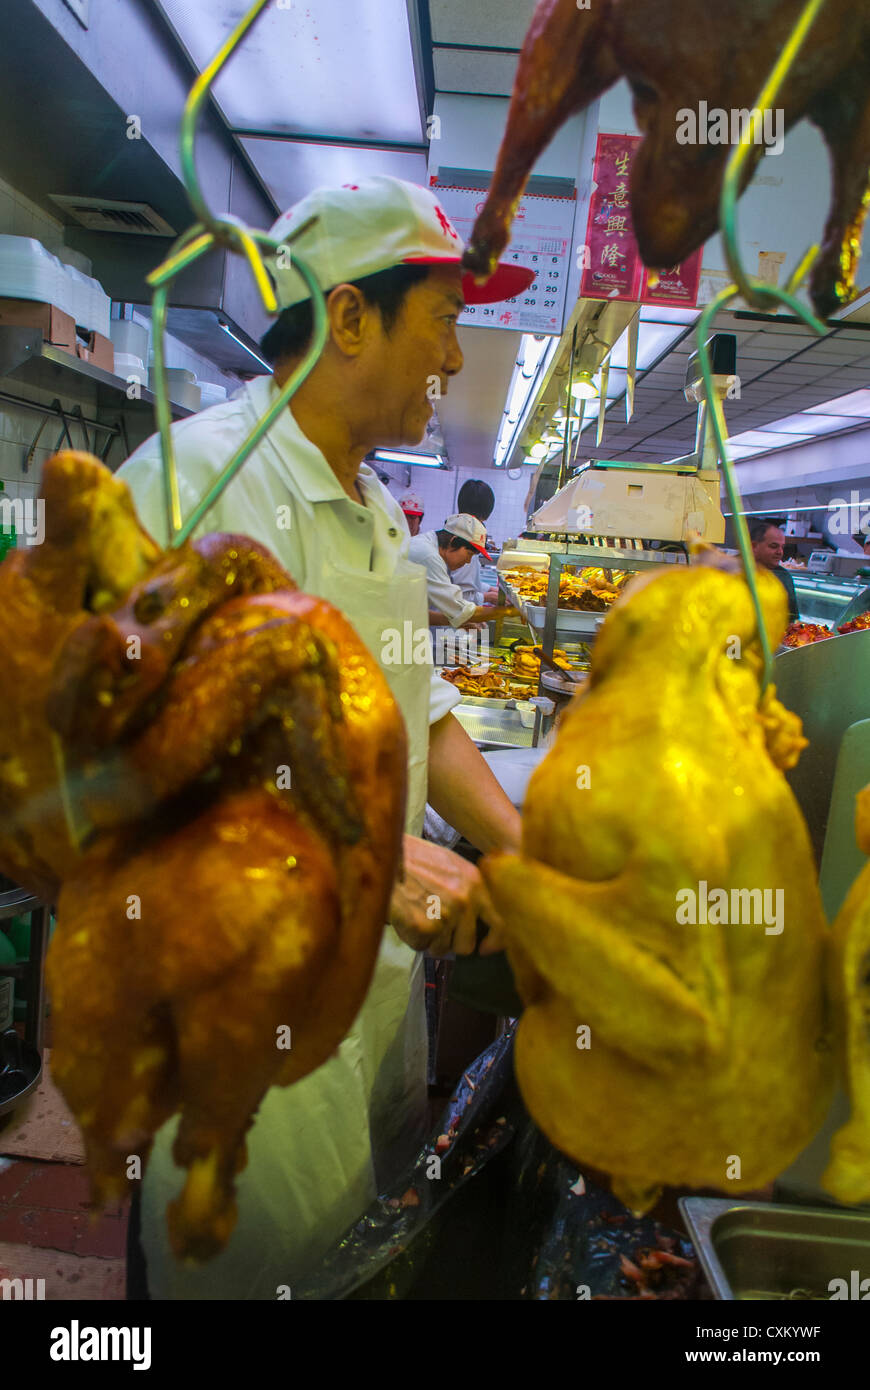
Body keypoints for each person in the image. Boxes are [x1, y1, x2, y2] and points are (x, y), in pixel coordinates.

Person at [117, 174, 534, 1299]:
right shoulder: (195, 484)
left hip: (371, 984)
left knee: (350, 1257)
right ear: (350, 317)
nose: (453, 358)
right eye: (444, 320)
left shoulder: (374, 507)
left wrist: (524, 842)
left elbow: (416, 704)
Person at [409, 513, 516, 628]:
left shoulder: (428, 544)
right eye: (469, 554)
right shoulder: (429, 557)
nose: (468, 561)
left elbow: (412, 612)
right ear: (453, 541)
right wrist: (508, 612)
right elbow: (461, 610)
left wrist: (457, 622)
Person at [452, 478, 499, 604]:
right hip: (445, 619)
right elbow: (462, 598)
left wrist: (489, 589)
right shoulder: (468, 544)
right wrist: (488, 597)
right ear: (487, 513)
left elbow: (462, 582)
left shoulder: (453, 531)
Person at [748, 518, 799, 620]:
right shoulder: (734, 572)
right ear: (754, 546)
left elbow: (791, 618)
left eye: (782, 547)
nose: (780, 552)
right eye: (774, 546)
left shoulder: (783, 576)